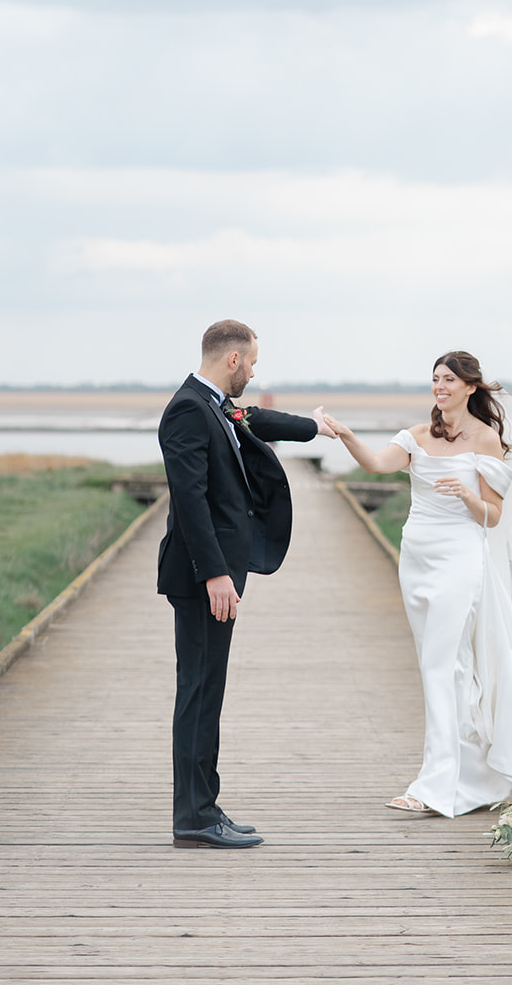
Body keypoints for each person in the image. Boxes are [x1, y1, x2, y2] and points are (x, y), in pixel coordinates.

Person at [324, 351, 512, 817]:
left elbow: (494, 515)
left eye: (449, 380)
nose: (439, 386)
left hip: (461, 559)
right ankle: (474, 774)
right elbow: (377, 465)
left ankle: (435, 785)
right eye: (435, 379)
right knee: (445, 667)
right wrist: (345, 435)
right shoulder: (419, 436)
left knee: (441, 668)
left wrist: (467, 495)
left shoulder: (487, 440)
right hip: (417, 559)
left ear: (470, 387)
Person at [157, 319, 338, 848]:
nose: (255, 372)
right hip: (201, 579)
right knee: (197, 692)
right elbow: (189, 498)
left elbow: (255, 417)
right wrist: (214, 572)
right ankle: (192, 817)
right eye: (253, 362)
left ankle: (205, 806)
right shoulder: (189, 409)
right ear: (232, 359)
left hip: (217, 575)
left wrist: (313, 427)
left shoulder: (212, 402)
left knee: (209, 690)